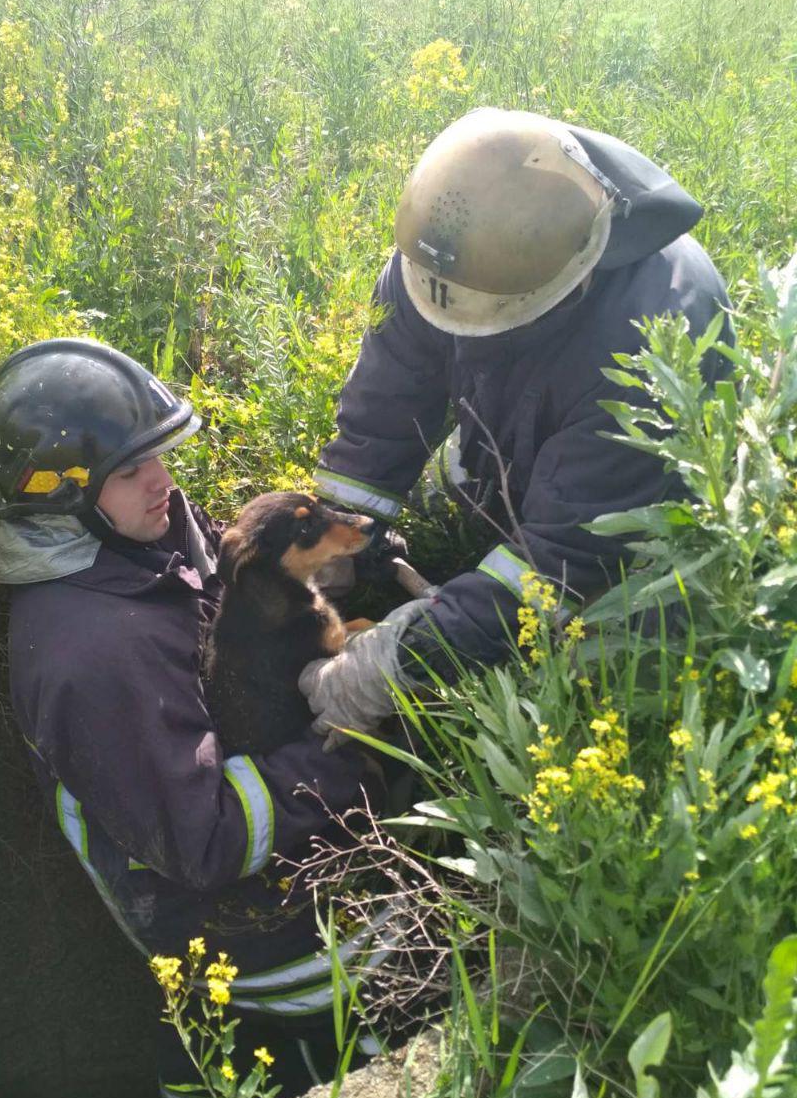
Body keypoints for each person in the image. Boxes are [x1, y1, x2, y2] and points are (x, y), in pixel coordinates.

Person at [0, 339, 387, 1098]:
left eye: (157, 455)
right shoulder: (91, 655)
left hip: (222, 867)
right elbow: (202, 840)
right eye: (132, 470)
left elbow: (243, 596)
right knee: (403, 985)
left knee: (220, 1046)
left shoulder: (137, 534)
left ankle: (203, 1074)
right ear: (60, 497)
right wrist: (350, 755)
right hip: (226, 925)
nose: (164, 481)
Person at [301, 107, 734, 735]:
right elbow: (388, 397)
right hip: (520, 438)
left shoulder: (651, 344)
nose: (461, 332)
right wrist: (333, 535)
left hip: (632, 508)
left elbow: (566, 557)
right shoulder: (446, 264)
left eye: (491, 320)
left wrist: (398, 663)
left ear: (568, 283)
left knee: (612, 638)